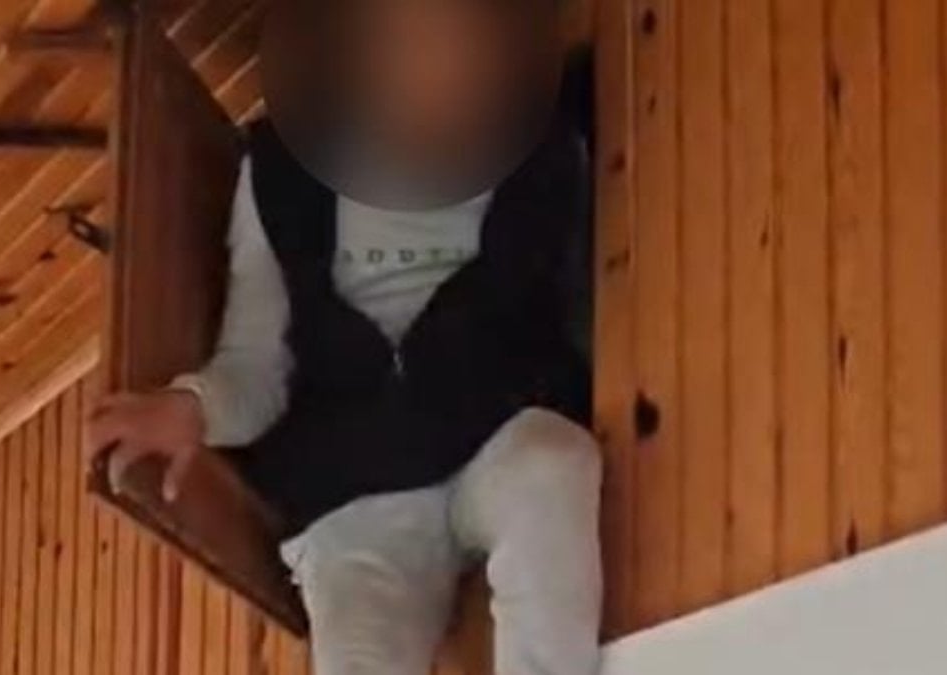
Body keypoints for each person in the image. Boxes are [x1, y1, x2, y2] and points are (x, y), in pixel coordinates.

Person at [87, 1, 601, 673]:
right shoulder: (280, 171)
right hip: (352, 491)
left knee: (553, 464)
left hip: (495, 430)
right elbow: (257, 365)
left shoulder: (542, 143)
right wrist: (193, 407)